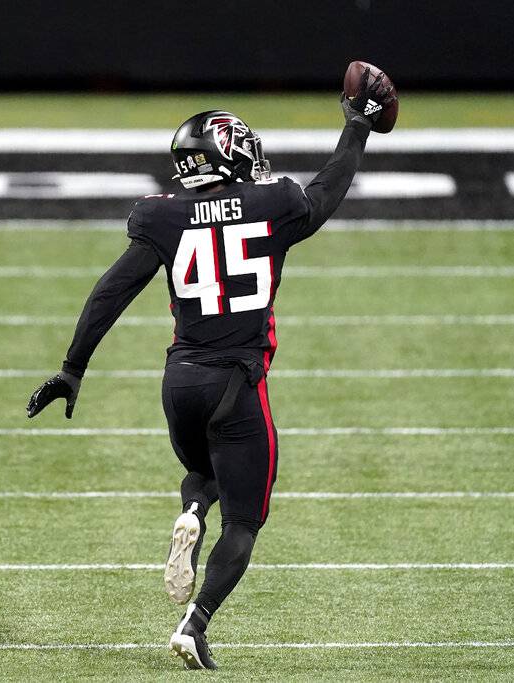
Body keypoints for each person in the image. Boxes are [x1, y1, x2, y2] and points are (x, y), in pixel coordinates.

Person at [27, 70, 396, 669]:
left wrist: (72, 369)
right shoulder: (272, 202)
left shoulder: (162, 216)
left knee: (205, 471)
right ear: (228, 153)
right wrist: (356, 127)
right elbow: (328, 191)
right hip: (239, 382)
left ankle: (194, 511)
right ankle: (194, 625)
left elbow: (111, 292)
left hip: (181, 383)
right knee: (247, 520)